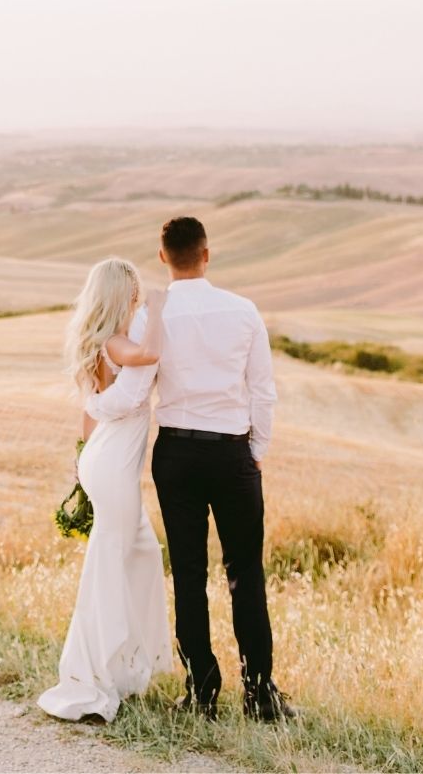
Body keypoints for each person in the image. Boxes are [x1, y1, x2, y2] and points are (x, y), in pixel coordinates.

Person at [87, 216, 291, 722]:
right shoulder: (243, 311)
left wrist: (90, 402)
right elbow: (262, 388)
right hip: (232, 452)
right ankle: (260, 693)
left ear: (163, 258)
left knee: (189, 574)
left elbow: (134, 393)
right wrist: (256, 448)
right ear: (207, 253)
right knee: (246, 573)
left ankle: (201, 692)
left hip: (176, 454)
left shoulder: (148, 320)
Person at [37, 258, 174, 722]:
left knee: (138, 552)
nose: (138, 297)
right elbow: (151, 355)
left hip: (103, 457)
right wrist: (157, 309)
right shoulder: (116, 343)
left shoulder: (98, 341)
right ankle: (92, 675)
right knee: (110, 560)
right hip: (113, 463)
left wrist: (81, 457)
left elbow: (88, 409)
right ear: (122, 295)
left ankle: (120, 664)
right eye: (134, 292)